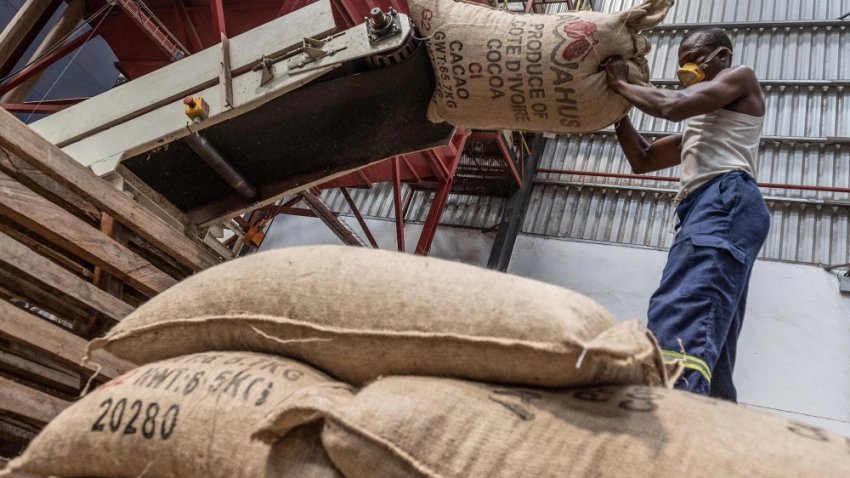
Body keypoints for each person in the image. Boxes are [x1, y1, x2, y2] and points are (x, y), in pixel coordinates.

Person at [602, 27, 770, 402]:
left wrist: (619, 84)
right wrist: (617, 116)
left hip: (725, 199)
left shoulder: (740, 77)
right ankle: (714, 420)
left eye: (695, 60)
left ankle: (671, 409)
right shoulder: (705, 125)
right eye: (682, 64)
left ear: (722, 58)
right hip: (714, 206)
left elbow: (671, 106)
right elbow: (643, 159)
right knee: (713, 325)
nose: (686, 69)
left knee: (685, 307)